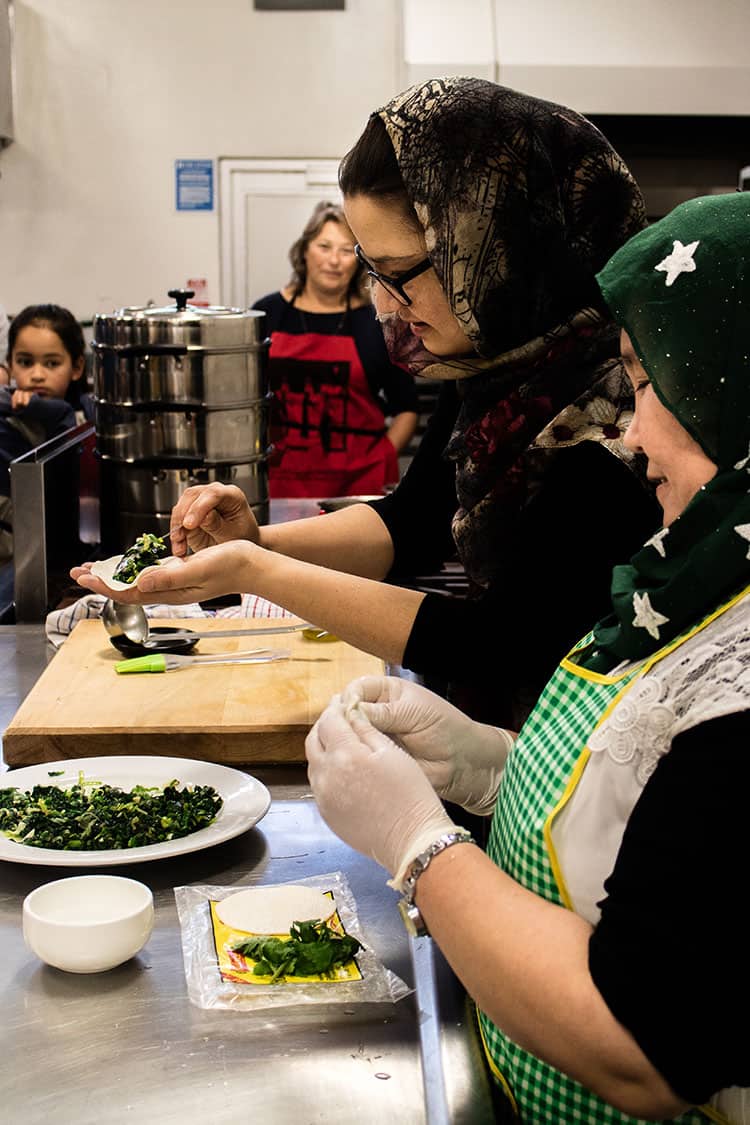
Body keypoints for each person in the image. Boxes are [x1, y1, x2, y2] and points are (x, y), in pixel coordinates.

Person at [305, 191, 750, 1124]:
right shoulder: (695, 567)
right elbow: (647, 810)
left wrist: (418, 845)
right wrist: (480, 764)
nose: (631, 431)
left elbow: (641, 1047)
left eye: (648, 382)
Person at [71, 77, 660, 729]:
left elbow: (499, 642)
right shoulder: (494, 375)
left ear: (503, 252)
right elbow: (411, 522)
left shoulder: (623, 414)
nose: (383, 304)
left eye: (401, 272)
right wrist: (256, 541)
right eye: (370, 270)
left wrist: (257, 570)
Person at [252, 200, 418, 498]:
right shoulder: (267, 314)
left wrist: (381, 459)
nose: (334, 260)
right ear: (304, 250)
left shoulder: (378, 322)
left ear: (359, 260)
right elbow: (248, 403)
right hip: (281, 484)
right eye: (324, 246)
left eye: (346, 250)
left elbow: (406, 408)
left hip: (358, 489)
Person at [1, 304, 92, 563]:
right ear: (10, 365)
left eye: (52, 363)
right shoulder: (5, 423)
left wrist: (57, 412)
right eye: (25, 362)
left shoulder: (86, 412)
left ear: (76, 367)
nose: (37, 375)